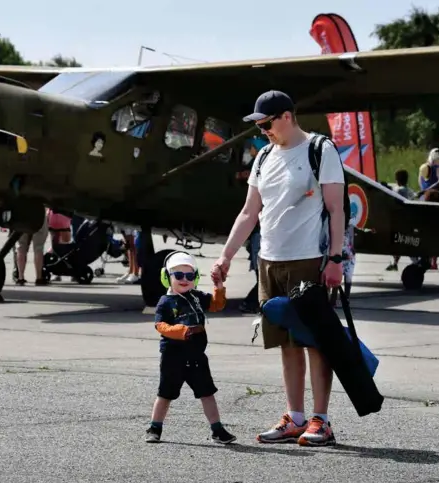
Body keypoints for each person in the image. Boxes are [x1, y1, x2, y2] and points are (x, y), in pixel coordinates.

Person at [211, 90, 345, 447]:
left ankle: (322, 420)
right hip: (269, 260)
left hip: (308, 259)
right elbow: (249, 211)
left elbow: (336, 209)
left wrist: (335, 259)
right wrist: (225, 256)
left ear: (286, 116)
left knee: (315, 341)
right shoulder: (264, 156)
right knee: (285, 342)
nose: (263, 131)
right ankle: (295, 417)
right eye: (259, 126)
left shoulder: (320, 150)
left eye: (266, 124)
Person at [145, 251, 235, 445]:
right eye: (178, 275)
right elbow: (160, 326)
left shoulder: (197, 297)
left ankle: (217, 430)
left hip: (196, 357)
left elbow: (216, 304)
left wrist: (219, 287)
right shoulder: (165, 302)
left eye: (189, 276)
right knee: (165, 394)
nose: (184, 280)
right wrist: (180, 330)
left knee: (207, 393)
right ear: (166, 277)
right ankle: (155, 427)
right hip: (173, 357)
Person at [15, 207, 50, 286]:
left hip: (21, 213)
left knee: (21, 246)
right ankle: (39, 277)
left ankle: (20, 277)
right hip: (39, 212)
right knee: (39, 247)